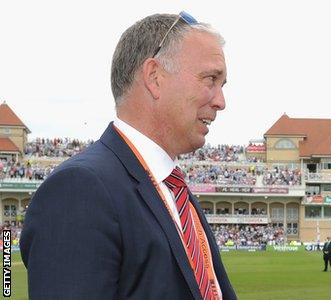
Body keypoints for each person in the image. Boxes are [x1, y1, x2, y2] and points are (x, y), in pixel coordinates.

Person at [20, 12, 237, 299]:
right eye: (210, 79)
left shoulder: (175, 191)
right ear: (154, 77)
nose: (221, 101)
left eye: (222, 86)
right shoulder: (80, 189)